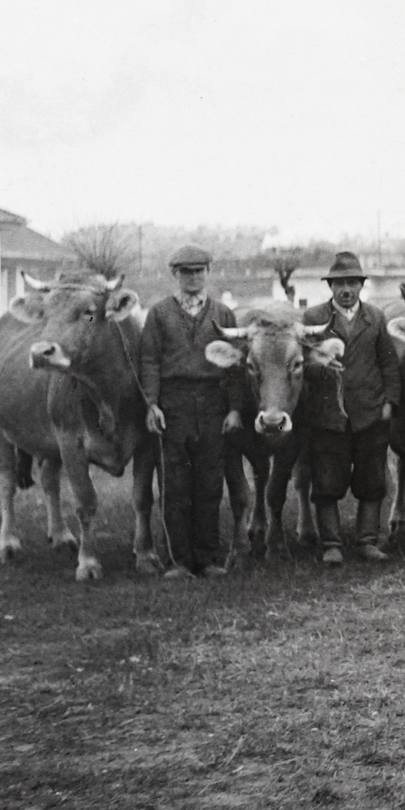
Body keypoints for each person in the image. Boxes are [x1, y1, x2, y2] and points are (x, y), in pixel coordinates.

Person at [140, 245, 242, 580]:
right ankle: (179, 561)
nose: (193, 278)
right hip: (174, 405)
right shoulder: (159, 314)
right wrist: (152, 404)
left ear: (208, 273)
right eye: (186, 272)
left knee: (210, 484)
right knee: (175, 486)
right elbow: (150, 361)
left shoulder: (223, 314)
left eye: (199, 271)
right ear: (175, 275)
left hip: (212, 404)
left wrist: (234, 409)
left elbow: (234, 368)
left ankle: (207, 558)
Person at [303, 252, 401, 564]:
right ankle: (331, 544)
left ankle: (367, 542)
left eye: (352, 283)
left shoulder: (375, 317)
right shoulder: (313, 319)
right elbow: (302, 364)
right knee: (326, 481)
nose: (346, 290)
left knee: (372, 480)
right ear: (330, 287)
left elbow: (388, 362)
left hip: (369, 412)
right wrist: (320, 368)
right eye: (340, 284)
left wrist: (390, 402)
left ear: (361, 286)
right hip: (328, 414)